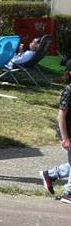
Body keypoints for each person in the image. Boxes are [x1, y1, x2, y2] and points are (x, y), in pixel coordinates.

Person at [40, 69, 71, 205]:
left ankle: (51, 174)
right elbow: (61, 116)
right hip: (68, 132)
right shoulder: (68, 91)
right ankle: (69, 193)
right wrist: (65, 138)